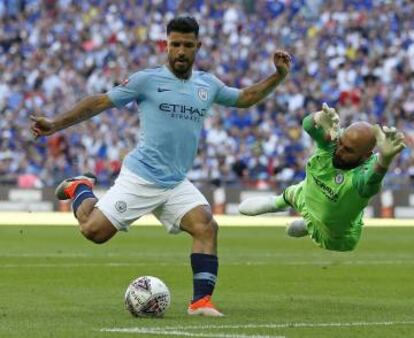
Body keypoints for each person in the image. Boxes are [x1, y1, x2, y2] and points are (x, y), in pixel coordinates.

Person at [30, 16, 292, 316]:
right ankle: (80, 187)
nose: (181, 51)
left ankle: (200, 302)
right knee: (93, 232)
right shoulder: (146, 80)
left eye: (187, 45)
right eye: (175, 44)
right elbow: (99, 102)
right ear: (165, 45)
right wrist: (55, 123)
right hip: (141, 176)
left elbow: (245, 98)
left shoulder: (208, 84)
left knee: (206, 226)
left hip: (175, 182)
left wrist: (278, 76)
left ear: (198, 46)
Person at [239, 103, 406, 252]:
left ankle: (308, 224)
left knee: (321, 223)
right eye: (341, 143)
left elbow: (372, 180)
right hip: (305, 193)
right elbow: (308, 126)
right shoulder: (334, 142)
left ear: (365, 156)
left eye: (348, 150)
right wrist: (318, 116)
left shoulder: (362, 176)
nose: (339, 150)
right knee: (257, 206)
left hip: (336, 235)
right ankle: (278, 203)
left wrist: (385, 159)